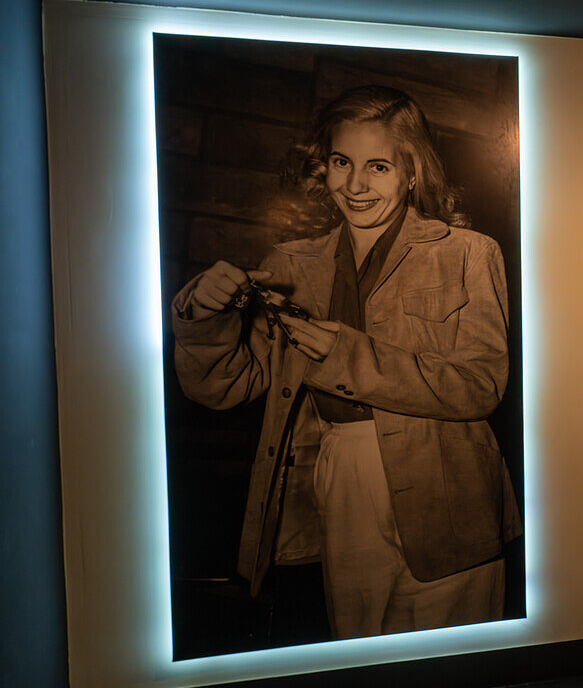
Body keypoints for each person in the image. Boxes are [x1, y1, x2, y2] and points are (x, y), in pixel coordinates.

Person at [171, 85, 521, 640]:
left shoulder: (468, 253)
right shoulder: (291, 263)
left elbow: (480, 385)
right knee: (362, 656)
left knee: (454, 658)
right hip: (336, 481)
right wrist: (204, 315)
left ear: (411, 173)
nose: (355, 185)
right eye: (341, 162)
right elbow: (225, 386)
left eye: (378, 166)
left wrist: (347, 356)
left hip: (448, 487)